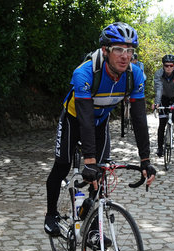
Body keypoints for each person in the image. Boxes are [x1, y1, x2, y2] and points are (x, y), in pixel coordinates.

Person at [44, 22, 156, 236]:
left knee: (101, 173)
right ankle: (50, 215)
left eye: (130, 50)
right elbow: (85, 118)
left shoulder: (135, 75)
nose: (125, 56)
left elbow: (140, 119)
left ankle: (94, 228)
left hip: (100, 122)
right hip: (74, 120)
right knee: (63, 165)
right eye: (119, 49)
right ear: (105, 51)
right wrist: (89, 160)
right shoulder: (85, 73)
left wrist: (145, 160)